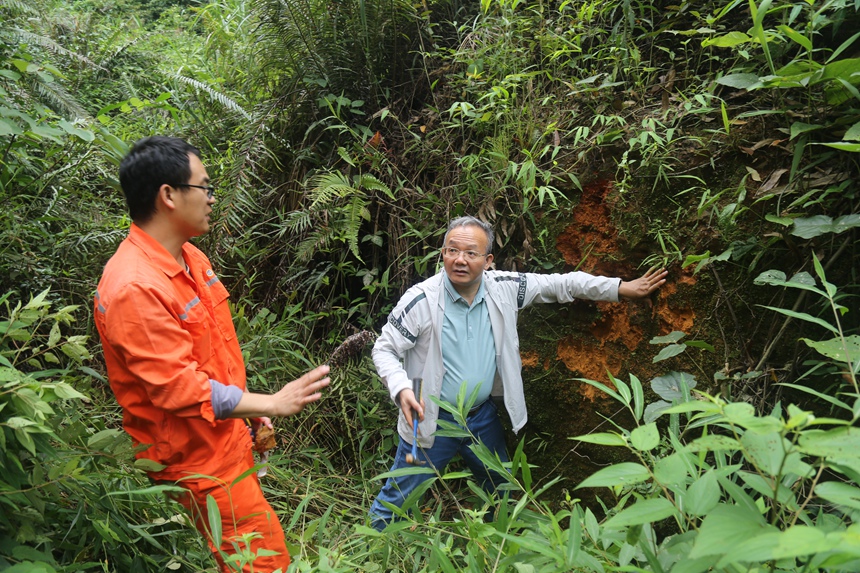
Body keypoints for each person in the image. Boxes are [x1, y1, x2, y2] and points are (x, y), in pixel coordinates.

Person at [94, 136, 331, 572]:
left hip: (223, 438)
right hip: (197, 460)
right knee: (262, 562)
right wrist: (272, 403)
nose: (212, 197)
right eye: (204, 187)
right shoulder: (135, 288)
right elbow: (180, 390)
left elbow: (207, 357)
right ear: (168, 195)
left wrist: (245, 410)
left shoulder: (190, 258)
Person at [369, 216, 667, 529]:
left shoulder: (504, 289)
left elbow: (561, 284)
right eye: (451, 250)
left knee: (501, 486)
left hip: (479, 417)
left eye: (471, 253)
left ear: (488, 261)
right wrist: (401, 388)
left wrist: (619, 288)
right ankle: (371, 548)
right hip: (432, 418)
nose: (459, 259)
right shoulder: (421, 300)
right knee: (400, 496)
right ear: (442, 253)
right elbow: (384, 349)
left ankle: (490, 542)